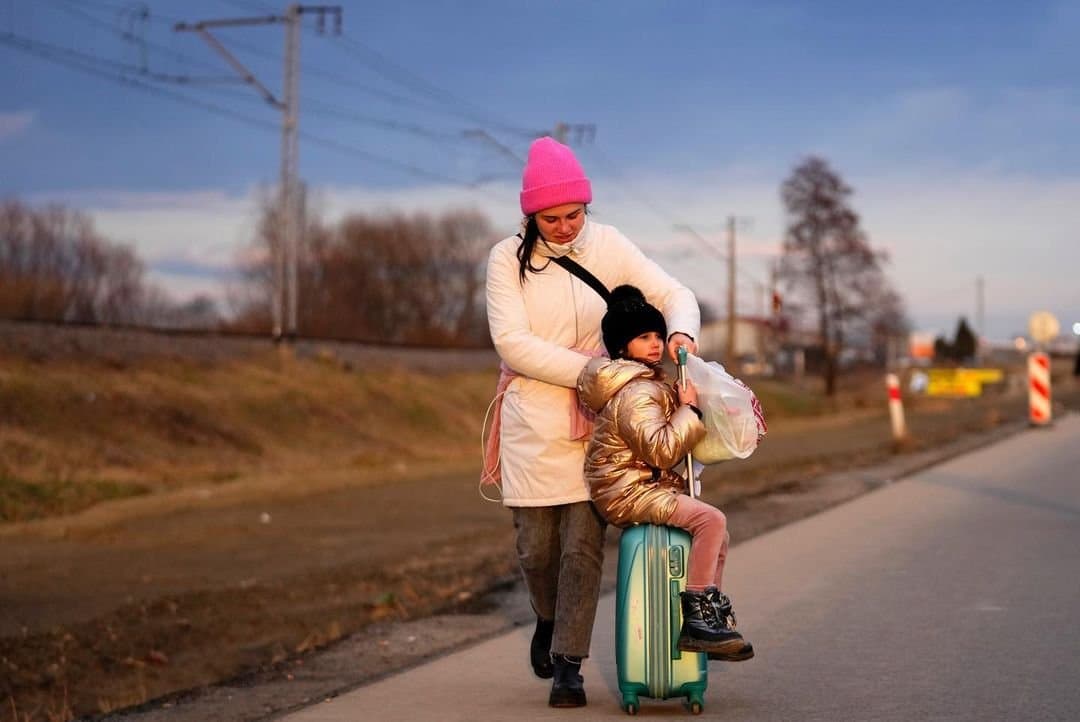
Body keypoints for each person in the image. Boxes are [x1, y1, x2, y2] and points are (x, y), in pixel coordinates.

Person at [483, 137, 700, 708]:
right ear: (530, 214)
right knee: (536, 551)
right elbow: (512, 342)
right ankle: (547, 618)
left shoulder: (607, 244)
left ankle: (568, 664)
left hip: (603, 424)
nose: (563, 227)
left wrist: (680, 332)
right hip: (534, 420)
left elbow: (674, 292)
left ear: (586, 207)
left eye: (573, 215)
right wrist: (596, 371)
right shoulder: (507, 259)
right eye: (550, 218)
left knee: (583, 545)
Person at [576, 284, 754, 661]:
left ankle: (710, 618)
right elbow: (659, 450)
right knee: (711, 520)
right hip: (628, 491)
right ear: (623, 347)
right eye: (644, 338)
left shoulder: (643, 384)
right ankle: (699, 618)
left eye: (658, 335)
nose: (656, 344)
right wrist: (689, 413)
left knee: (716, 534)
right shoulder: (635, 392)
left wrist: (690, 404)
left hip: (637, 485)